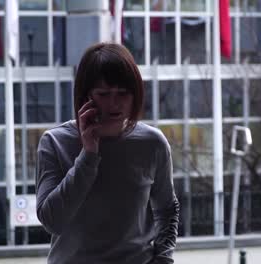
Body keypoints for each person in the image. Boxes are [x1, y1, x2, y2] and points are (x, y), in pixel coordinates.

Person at [36, 42, 180, 264]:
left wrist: (162, 259)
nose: (115, 103)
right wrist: (88, 154)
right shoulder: (55, 142)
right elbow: (52, 221)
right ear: (86, 97)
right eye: (104, 94)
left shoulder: (153, 143)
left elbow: (167, 210)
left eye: (123, 93)